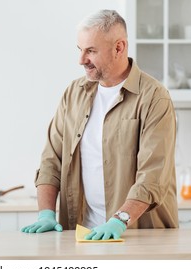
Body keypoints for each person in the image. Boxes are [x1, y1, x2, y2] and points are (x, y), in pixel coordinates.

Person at [21, 10, 178, 240]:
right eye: (80, 50)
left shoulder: (154, 98)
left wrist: (120, 220)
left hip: (138, 234)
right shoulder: (74, 93)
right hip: (82, 233)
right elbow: (51, 160)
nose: (81, 60)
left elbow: (152, 176)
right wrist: (46, 213)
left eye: (91, 51)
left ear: (119, 48)